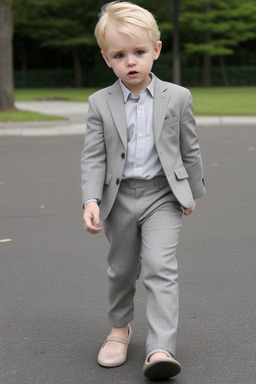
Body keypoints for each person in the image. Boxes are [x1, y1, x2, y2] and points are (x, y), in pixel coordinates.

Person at [81, 1, 205, 379]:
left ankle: (161, 348)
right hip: (118, 200)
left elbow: (189, 147)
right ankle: (120, 330)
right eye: (119, 55)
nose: (130, 62)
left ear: (156, 50)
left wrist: (191, 194)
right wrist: (90, 199)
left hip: (163, 197)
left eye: (138, 52)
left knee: (160, 267)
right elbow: (93, 157)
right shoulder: (99, 103)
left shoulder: (178, 97)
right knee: (121, 269)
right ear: (107, 59)